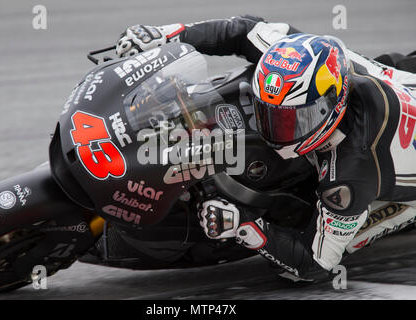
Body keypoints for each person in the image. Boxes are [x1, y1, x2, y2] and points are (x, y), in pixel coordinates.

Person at [115, 16, 416, 281]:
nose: (276, 129)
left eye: (295, 119)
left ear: (330, 108)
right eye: (269, 113)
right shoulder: (296, 54)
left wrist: (246, 225)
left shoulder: (351, 175)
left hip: (398, 188)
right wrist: (167, 34)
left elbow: (316, 265)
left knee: (290, 272)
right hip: (404, 79)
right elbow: (241, 29)